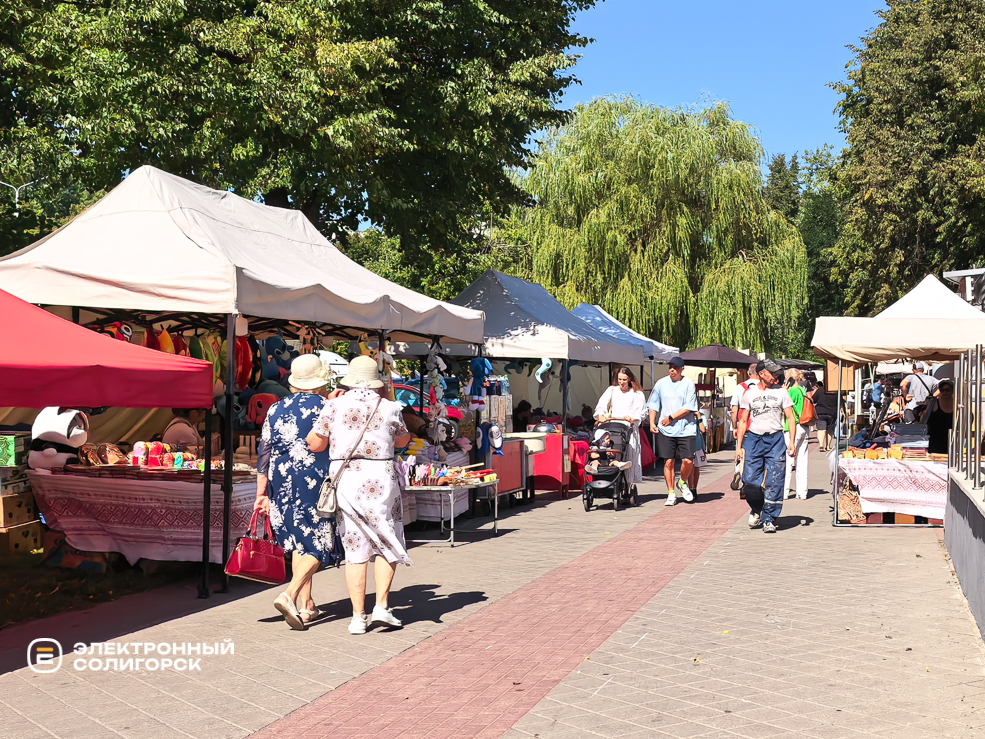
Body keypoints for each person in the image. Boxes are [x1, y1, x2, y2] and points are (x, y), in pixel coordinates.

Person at [307, 355, 413, 636]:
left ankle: (358, 617)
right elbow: (403, 440)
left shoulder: (333, 404)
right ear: (376, 381)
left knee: (354, 545)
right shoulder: (390, 406)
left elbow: (315, 443)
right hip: (381, 477)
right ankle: (381, 606)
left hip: (347, 478)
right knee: (386, 539)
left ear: (350, 380)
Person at [254, 354, 343, 631]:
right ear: (320, 380)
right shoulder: (328, 407)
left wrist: (261, 493)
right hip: (315, 480)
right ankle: (289, 595)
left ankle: (307, 607)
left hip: (281, 480)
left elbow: (264, 454)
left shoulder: (275, 408)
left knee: (298, 541)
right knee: (319, 541)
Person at [735, 359, 797, 534]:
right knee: (749, 481)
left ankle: (769, 518)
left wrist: (791, 442)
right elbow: (743, 420)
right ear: (762, 374)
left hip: (776, 440)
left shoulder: (782, 393)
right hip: (754, 440)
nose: (776, 375)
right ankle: (756, 508)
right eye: (773, 372)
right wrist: (738, 447)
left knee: (775, 481)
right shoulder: (749, 394)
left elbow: (790, 418)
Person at [648, 356, 699, 506]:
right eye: (670, 367)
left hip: (686, 429)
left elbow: (689, 407)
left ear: (682, 369)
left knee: (688, 460)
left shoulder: (688, 383)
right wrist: (652, 422)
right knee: (668, 461)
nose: (672, 370)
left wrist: (671, 417)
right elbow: (653, 403)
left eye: (675, 368)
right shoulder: (661, 383)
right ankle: (671, 492)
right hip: (666, 429)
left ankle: (682, 482)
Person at [594, 367, 647, 484]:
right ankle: (610, 477)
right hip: (613, 427)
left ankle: (627, 483)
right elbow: (601, 405)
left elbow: (641, 412)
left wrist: (633, 417)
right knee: (611, 450)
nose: (621, 382)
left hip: (628, 428)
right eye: (619, 379)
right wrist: (601, 415)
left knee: (628, 454)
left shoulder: (637, 394)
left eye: (624, 379)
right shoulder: (612, 390)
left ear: (629, 379)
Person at [783, 369, 809, 500]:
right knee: (802, 460)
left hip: (792, 427)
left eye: (786, 377)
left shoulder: (791, 392)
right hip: (804, 426)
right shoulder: (802, 390)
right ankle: (802, 491)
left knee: (787, 460)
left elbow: (785, 410)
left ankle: (784, 491)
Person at [922, 379, 954, 455]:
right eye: (942, 390)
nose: (945, 392)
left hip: (952, 442)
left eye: (948, 390)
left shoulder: (958, 404)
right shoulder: (933, 404)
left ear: (953, 390)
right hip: (935, 441)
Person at [810, 379, 838, 452]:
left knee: (821, 429)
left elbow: (813, 400)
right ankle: (828, 446)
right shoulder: (835, 391)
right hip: (832, 412)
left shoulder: (820, 390)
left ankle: (821, 445)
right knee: (830, 430)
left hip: (820, 412)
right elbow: (839, 402)